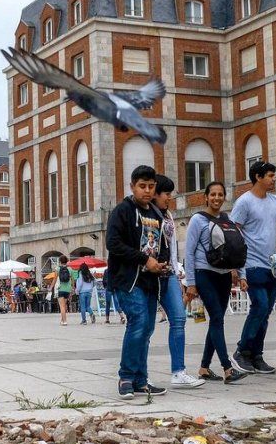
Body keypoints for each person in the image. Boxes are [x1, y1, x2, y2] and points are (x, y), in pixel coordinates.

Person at [106, 164, 169, 400]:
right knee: (139, 322)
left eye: (151, 186)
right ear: (132, 186)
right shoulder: (122, 210)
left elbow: (160, 245)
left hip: (151, 280)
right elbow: (113, 243)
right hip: (128, 280)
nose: (146, 191)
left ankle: (141, 380)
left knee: (147, 328)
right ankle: (126, 377)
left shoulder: (156, 213)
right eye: (142, 186)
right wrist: (144, 259)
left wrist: (162, 262)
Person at [230, 160, 276, 375]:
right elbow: (234, 232)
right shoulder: (244, 202)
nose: (273, 180)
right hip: (251, 263)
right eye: (270, 176)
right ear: (258, 177)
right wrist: (235, 267)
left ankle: (256, 355)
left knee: (266, 310)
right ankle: (241, 351)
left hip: (272, 264)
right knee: (259, 306)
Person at [184, 181, 248, 385]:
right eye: (213, 195)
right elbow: (189, 252)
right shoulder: (197, 219)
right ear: (205, 197)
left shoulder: (226, 219)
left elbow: (237, 249)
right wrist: (191, 283)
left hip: (224, 275)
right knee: (218, 318)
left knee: (216, 321)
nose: (217, 198)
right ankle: (227, 368)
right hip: (205, 274)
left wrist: (241, 273)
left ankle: (204, 367)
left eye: (220, 195)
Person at [153, 175, 204, 388]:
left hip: (170, 275)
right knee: (144, 326)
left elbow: (172, 247)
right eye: (167, 194)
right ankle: (137, 374)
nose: (169, 198)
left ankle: (178, 371)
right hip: (150, 275)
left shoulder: (169, 215)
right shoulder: (146, 215)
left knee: (179, 319)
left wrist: (176, 270)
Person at [55, 255, 73, 325]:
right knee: (64, 305)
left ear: (60, 261)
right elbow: (72, 280)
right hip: (67, 290)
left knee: (62, 306)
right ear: (67, 261)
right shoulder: (70, 269)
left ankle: (65, 321)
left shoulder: (57, 269)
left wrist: (51, 287)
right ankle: (62, 320)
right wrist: (72, 288)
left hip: (60, 289)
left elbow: (55, 279)